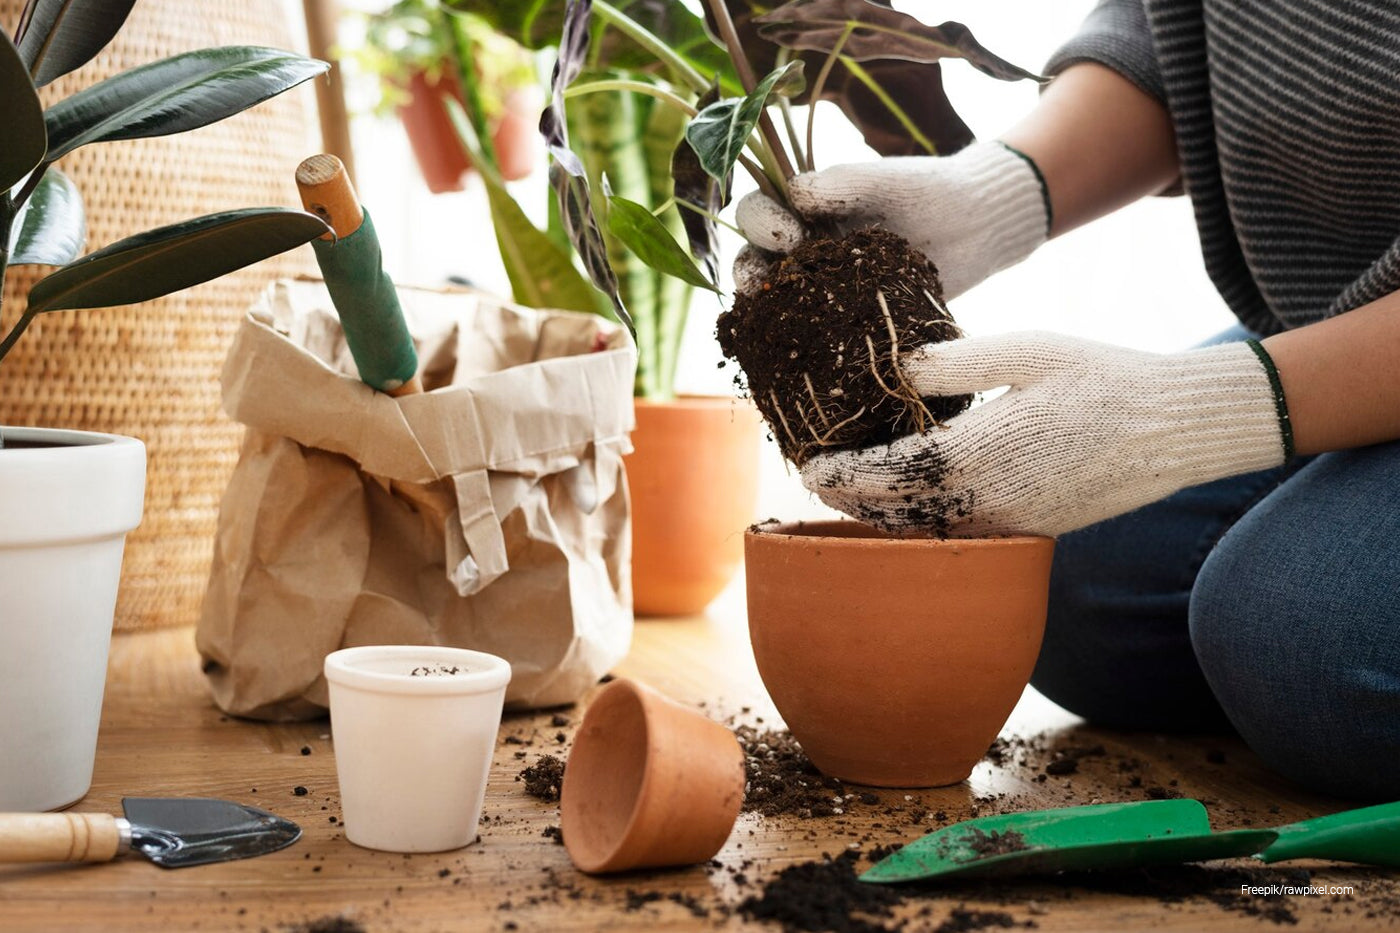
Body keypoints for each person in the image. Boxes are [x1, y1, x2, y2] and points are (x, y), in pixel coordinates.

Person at [735, 0, 1400, 801]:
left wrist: (1201, 409)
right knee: (1073, 590)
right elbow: (1182, 39)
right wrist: (988, 195)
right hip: (1342, 319)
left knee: (1300, 643)